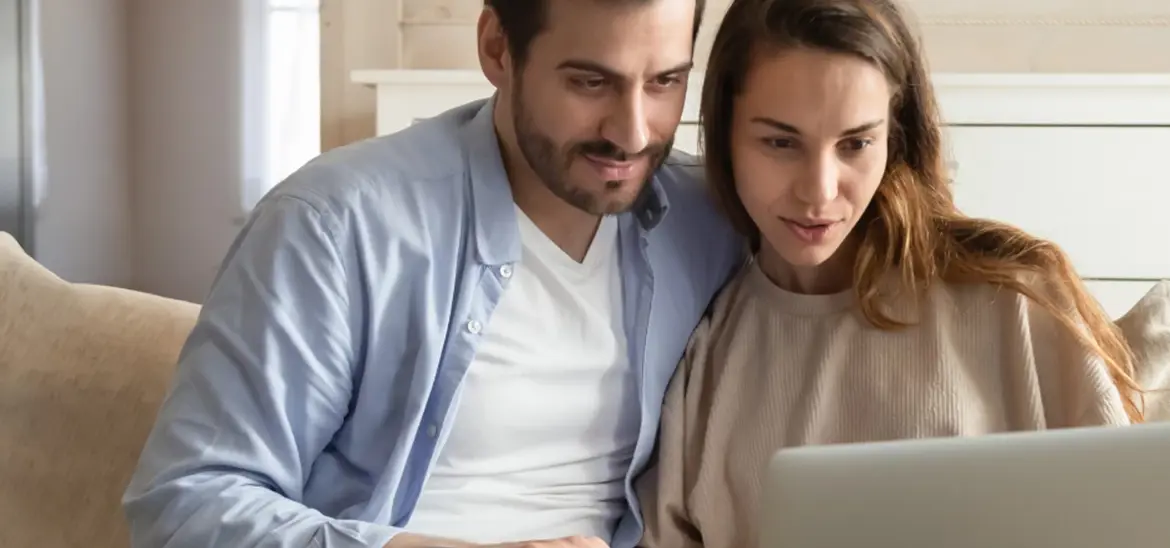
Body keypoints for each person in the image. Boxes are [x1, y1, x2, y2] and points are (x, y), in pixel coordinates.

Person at [121, 1, 746, 547]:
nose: (632, 132)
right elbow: (185, 505)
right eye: (589, 82)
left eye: (665, 81)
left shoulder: (709, 218)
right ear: (497, 48)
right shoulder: (337, 225)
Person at [635, 0, 1146, 547]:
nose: (820, 192)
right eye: (781, 143)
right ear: (726, 136)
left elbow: (1131, 517)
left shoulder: (1017, 301)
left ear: (895, 135)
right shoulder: (705, 355)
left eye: (855, 144)